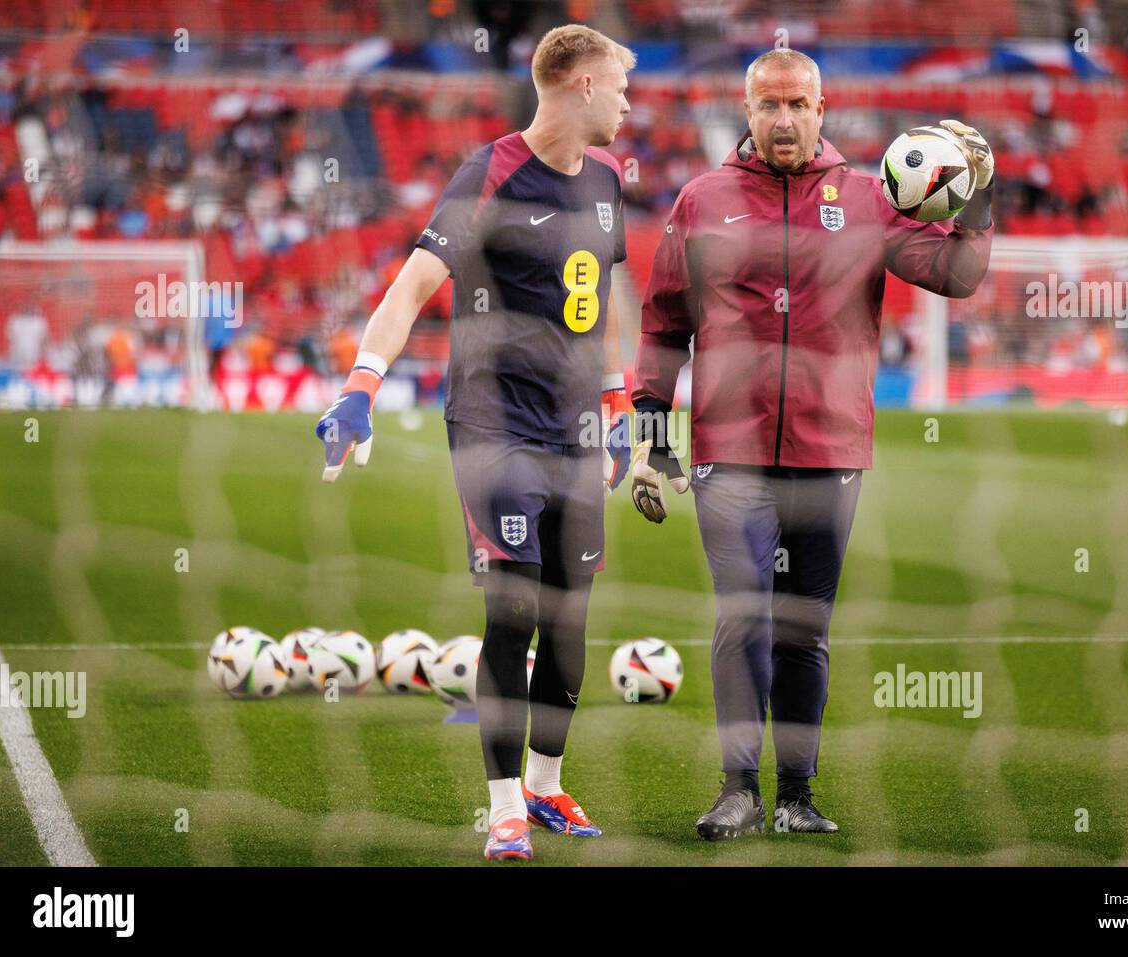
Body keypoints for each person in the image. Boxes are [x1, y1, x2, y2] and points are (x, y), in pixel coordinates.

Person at [629, 49, 995, 840]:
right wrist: (650, 437)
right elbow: (662, 325)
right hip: (729, 451)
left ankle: (796, 793)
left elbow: (957, 277)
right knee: (741, 617)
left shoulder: (868, 199)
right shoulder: (702, 199)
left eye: (799, 105)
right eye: (770, 105)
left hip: (830, 452)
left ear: (822, 110)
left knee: (804, 628)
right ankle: (738, 790)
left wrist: (979, 200)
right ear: (748, 109)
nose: (785, 119)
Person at [314, 24, 635, 862]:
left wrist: (618, 401)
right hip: (495, 426)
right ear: (583, 86)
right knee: (515, 608)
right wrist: (361, 386)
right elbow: (412, 284)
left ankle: (545, 783)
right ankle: (501, 809)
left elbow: (604, 301)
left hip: (575, 431)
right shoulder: (488, 172)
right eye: (621, 85)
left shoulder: (606, 181)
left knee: (570, 616)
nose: (632, 103)